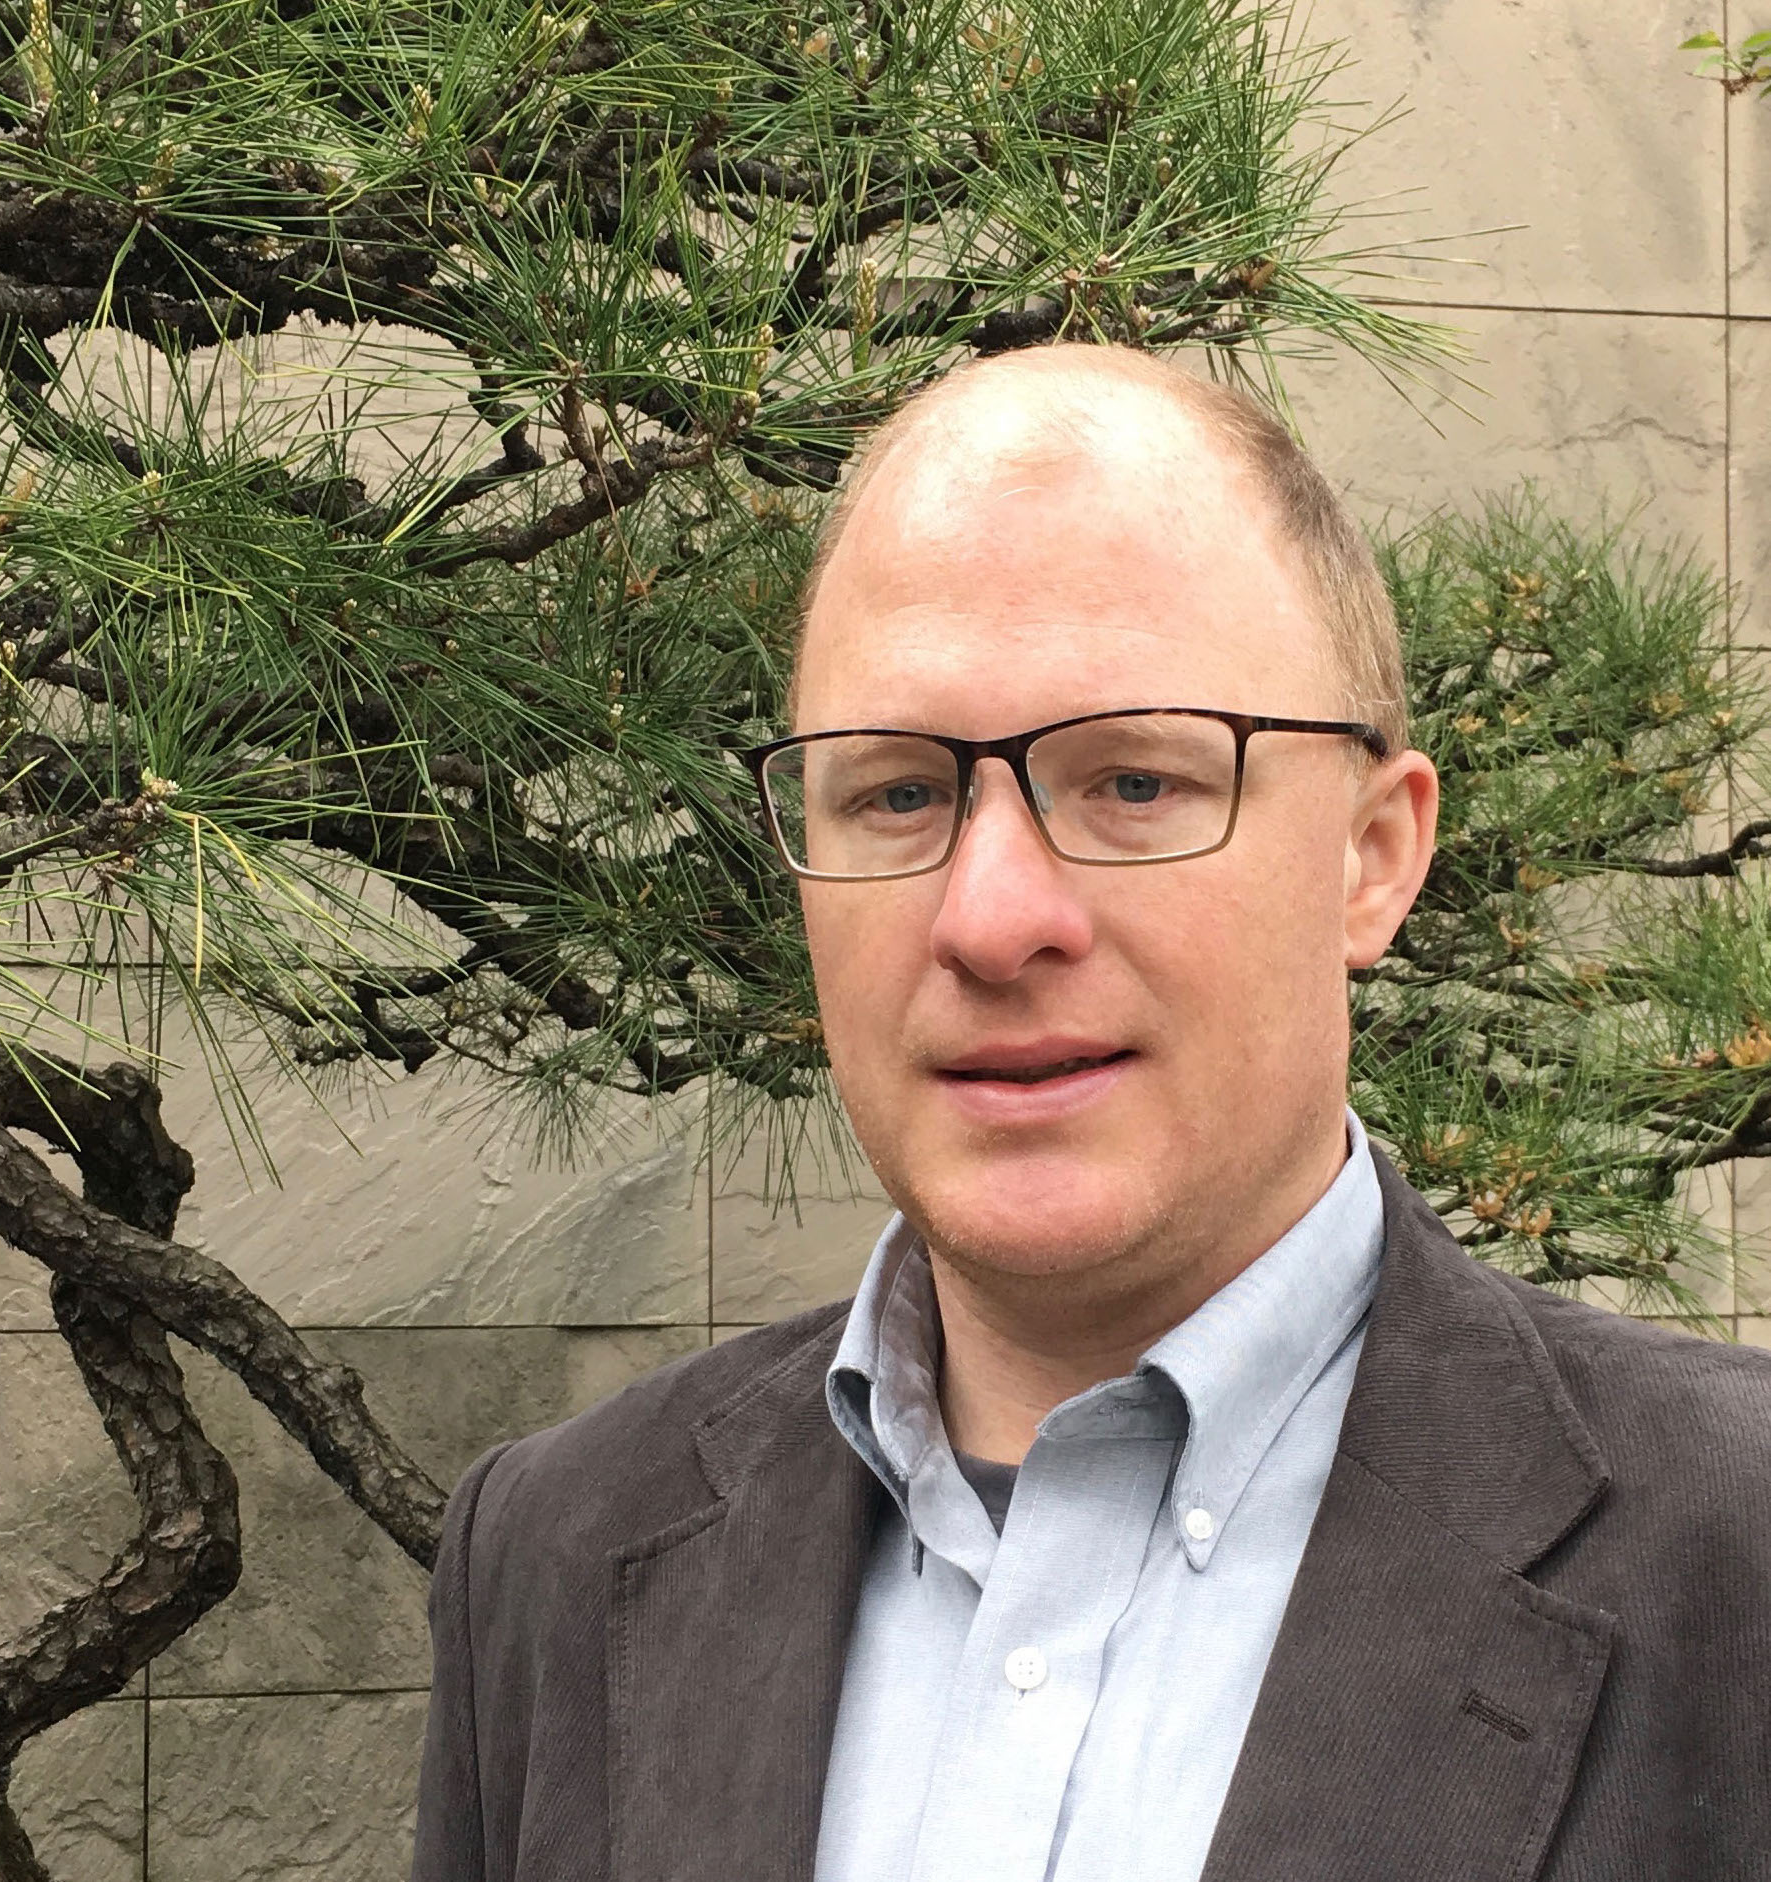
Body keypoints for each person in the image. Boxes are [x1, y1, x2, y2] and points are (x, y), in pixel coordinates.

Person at [410, 345, 1771, 1882]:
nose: (990, 920)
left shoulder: (1735, 1554)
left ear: (1372, 855)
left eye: (1131, 781)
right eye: (897, 793)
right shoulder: (553, 1548)